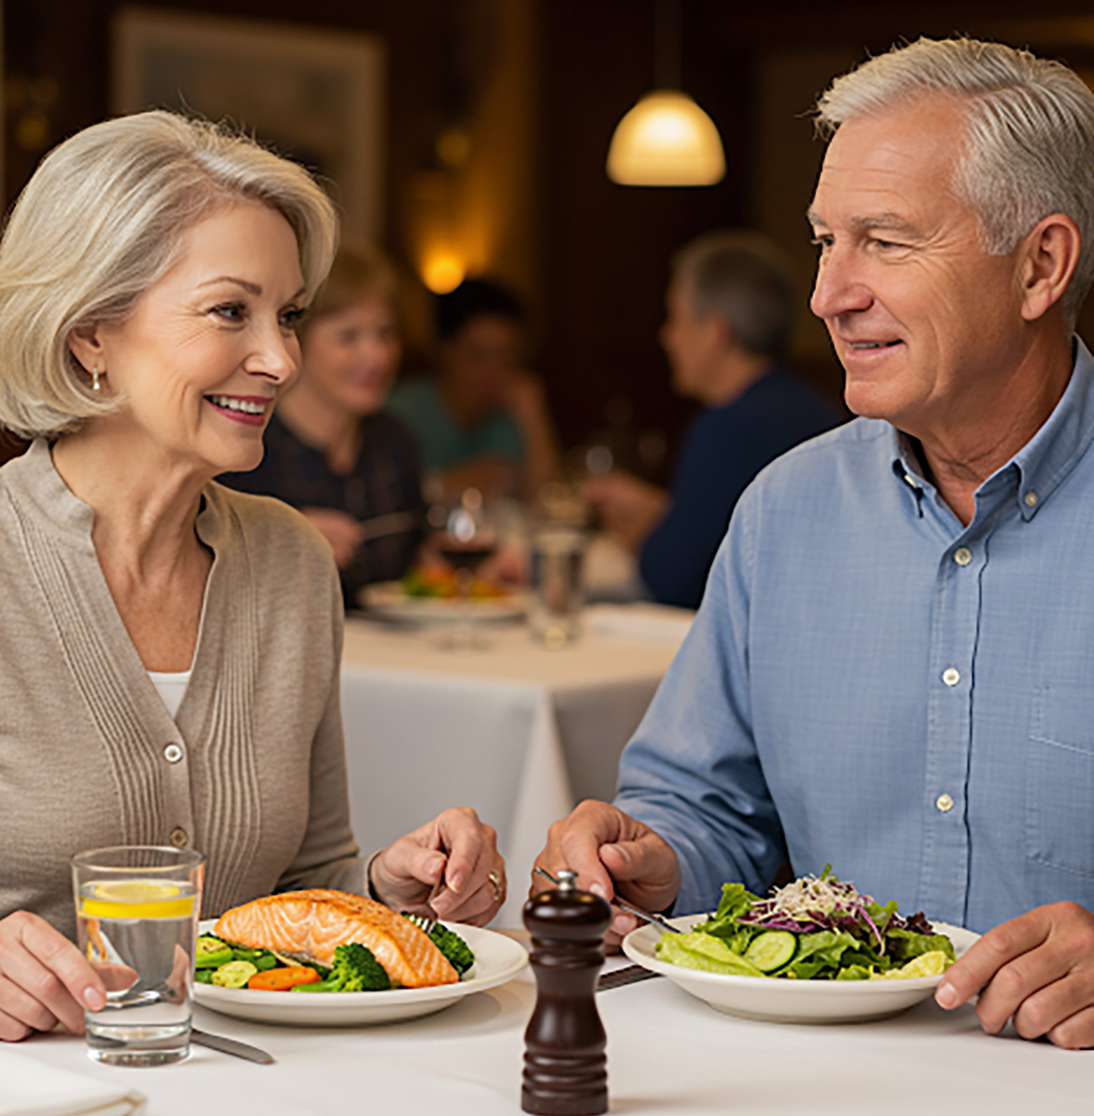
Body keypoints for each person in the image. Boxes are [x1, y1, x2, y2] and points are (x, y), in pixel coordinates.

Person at [0, 112, 505, 1041]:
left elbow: (305, 882)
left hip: (255, 1102)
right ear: (91, 332)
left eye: (289, 315)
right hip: (10, 1114)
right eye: (232, 312)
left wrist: (386, 887)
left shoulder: (290, 560)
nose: (282, 358)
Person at [535, 36, 1094, 1049]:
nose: (828, 294)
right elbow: (711, 812)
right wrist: (654, 855)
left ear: (1039, 266)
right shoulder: (784, 512)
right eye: (825, 241)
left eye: (884, 241)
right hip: (814, 1111)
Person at [583, 232, 840, 609]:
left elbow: (670, 579)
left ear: (716, 333)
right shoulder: (815, 410)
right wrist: (662, 513)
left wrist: (641, 532)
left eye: (676, 318)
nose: (666, 336)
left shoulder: (730, 426)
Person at [219, 244, 424, 608]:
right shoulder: (244, 446)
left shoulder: (394, 441)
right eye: (349, 337)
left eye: (385, 334)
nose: (376, 356)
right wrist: (280, 541)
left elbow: (415, 561)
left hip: (396, 664)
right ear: (297, 340)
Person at [387, 277, 560, 500]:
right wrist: (442, 484)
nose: (493, 372)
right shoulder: (399, 413)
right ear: (443, 352)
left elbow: (546, 499)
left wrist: (534, 419)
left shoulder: (511, 414)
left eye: (507, 358)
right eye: (477, 356)